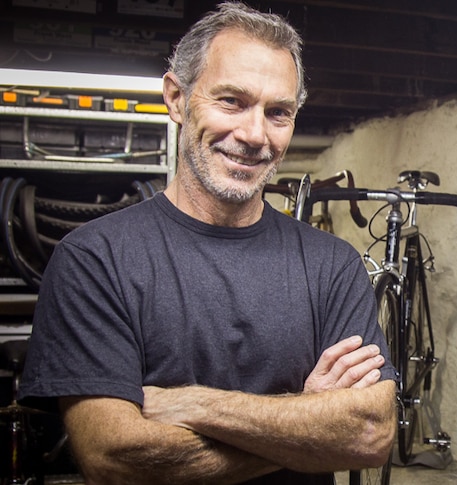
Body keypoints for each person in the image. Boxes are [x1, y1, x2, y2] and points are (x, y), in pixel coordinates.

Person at [18, 2, 396, 483]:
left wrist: (192, 403)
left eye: (278, 112)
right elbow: (113, 458)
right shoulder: (95, 260)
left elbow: (370, 435)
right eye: (231, 101)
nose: (254, 134)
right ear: (177, 98)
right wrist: (307, 422)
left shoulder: (332, 264)